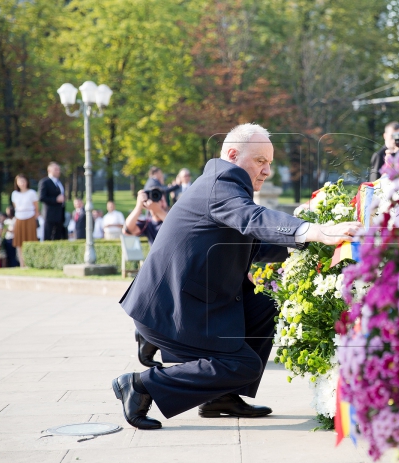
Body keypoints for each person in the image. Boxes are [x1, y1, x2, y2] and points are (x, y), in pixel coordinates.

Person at [112, 123, 361, 429]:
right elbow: (253, 218)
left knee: (265, 306)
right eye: (260, 161)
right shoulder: (221, 183)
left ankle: (221, 397)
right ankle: (140, 385)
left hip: (186, 300)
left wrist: (310, 246)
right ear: (232, 154)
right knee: (243, 365)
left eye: (270, 162)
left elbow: (254, 243)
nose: (267, 170)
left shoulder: (222, 185)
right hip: (169, 309)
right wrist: (314, 231)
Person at [123, 190, 170, 368]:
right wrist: (138, 206)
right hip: (157, 271)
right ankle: (147, 340)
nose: (157, 200)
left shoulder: (173, 214)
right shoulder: (148, 223)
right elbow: (127, 230)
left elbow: (177, 225)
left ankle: (146, 338)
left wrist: (158, 210)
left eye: (160, 196)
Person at [12, 174, 39, 267]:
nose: (22, 183)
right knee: (19, 242)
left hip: (30, 216)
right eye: (20, 181)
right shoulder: (14, 194)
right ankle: (22, 264)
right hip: (19, 217)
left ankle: (30, 263)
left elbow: (36, 208)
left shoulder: (32, 193)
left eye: (23, 181)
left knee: (30, 240)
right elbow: (16, 206)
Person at [38, 162, 66, 241]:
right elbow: (42, 197)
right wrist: (55, 199)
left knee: (58, 237)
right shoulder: (45, 182)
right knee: (48, 237)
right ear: (49, 170)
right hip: (50, 215)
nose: (58, 171)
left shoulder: (60, 182)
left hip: (60, 214)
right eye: (56, 169)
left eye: (59, 169)